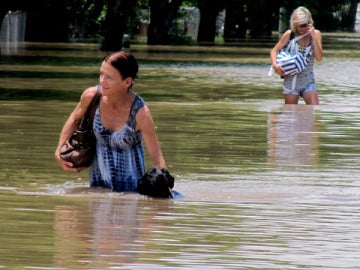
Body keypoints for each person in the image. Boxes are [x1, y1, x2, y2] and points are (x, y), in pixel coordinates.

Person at [55, 51, 169, 192]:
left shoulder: (140, 113)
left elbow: (157, 159)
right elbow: (74, 119)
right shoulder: (91, 97)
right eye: (101, 74)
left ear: (127, 82)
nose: (102, 80)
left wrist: (164, 191)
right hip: (97, 190)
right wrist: (59, 151)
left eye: (109, 77)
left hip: (131, 195)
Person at [270, 6, 323, 105]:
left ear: (309, 23)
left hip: (308, 81)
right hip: (291, 82)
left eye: (303, 25)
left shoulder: (316, 34)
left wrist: (314, 38)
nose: (301, 29)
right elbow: (274, 51)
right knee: (289, 115)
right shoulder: (290, 34)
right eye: (298, 26)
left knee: (315, 112)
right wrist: (275, 65)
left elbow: (319, 58)